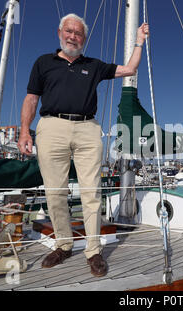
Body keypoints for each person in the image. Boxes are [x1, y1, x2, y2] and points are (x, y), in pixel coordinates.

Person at [17, 13, 149, 277]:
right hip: (51, 127)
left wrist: (139, 42)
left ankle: (93, 250)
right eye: (69, 31)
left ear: (84, 39)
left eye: (78, 33)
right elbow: (31, 98)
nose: (73, 36)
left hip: (88, 129)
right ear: (59, 32)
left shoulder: (94, 65)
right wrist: (24, 131)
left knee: (92, 193)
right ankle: (64, 244)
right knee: (55, 192)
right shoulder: (44, 63)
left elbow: (129, 70)